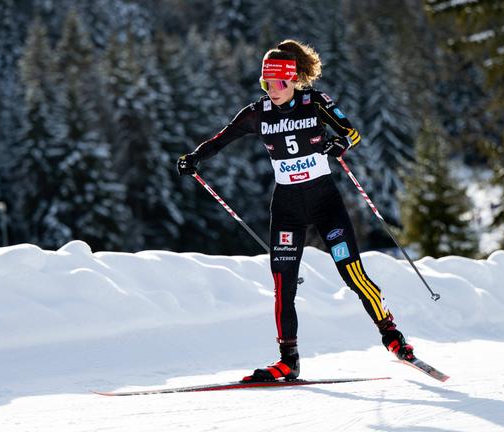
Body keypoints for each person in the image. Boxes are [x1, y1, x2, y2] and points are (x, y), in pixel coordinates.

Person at [176, 39, 415, 383]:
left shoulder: (314, 102)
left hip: (325, 204)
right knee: (283, 284)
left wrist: (340, 143)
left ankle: (392, 335)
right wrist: (194, 158)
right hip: (287, 207)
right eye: (266, 84)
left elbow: (352, 133)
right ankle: (288, 360)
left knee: (352, 274)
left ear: (292, 80)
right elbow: (220, 139)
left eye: (278, 83)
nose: (272, 90)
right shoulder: (256, 114)